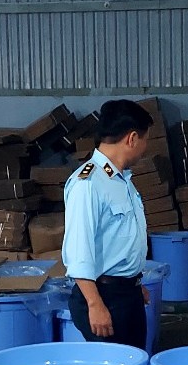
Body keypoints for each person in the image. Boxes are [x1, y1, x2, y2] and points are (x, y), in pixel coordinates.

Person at [62, 99, 154, 348]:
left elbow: (119, 240)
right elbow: (79, 252)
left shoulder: (122, 180)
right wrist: (95, 304)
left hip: (127, 294)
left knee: (135, 363)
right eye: (145, 140)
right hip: (104, 298)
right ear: (132, 138)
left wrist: (134, 283)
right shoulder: (88, 184)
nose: (145, 148)